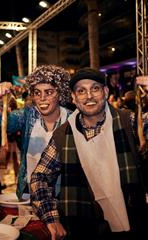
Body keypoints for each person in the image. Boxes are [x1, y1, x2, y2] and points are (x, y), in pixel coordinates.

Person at [30, 67, 147, 240]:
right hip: (83, 227)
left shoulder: (128, 122)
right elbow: (39, 177)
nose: (89, 96)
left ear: (105, 92)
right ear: (74, 98)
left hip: (133, 222)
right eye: (81, 91)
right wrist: (51, 216)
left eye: (95, 88)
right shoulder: (63, 135)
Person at [0, 64, 72, 199]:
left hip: (62, 195)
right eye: (37, 92)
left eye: (49, 92)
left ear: (60, 94)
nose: (42, 98)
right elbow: (1, 122)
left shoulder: (71, 120)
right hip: (28, 192)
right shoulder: (28, 115)